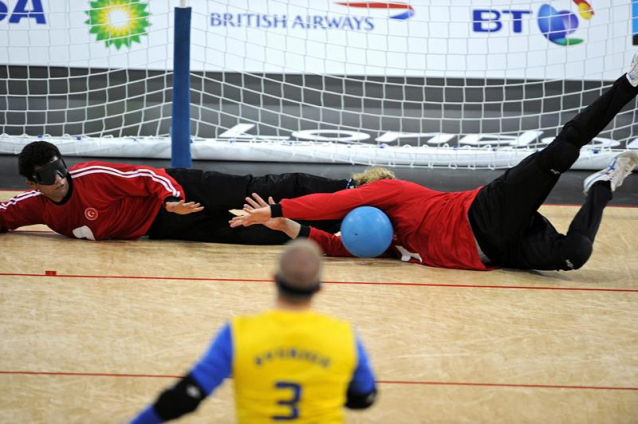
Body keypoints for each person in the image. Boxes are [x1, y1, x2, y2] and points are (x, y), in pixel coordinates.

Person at [231, 54, 638, 272]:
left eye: (359, 192)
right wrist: (285, 226)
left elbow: (329, 205)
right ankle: (601, 187)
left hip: (483, 213)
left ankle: (629, 83)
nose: (357, 201)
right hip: (496, 252)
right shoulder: (387, 239)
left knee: (561, 151)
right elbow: (338, 246)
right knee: (574, 254)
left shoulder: (389, 193)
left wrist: (279, 207)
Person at [131, 239, 377, 423]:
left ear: (274, 279)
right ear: (319, 287)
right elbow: (364, 398)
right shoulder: (344, 336)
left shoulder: (238, 333)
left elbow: (187, 395)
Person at [0, 141, 351, 243]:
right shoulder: (36, 207)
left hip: (181, 190)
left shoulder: (92, 176)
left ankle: (350, 190)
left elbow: (148, 176)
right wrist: (169, 216)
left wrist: (171, 202)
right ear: (33, 184)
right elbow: (5, 216)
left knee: (258, 191)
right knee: (258, 233)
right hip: (162, 227)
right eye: (47, 176)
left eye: (59, 167)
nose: (59, 178)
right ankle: (338, 230)